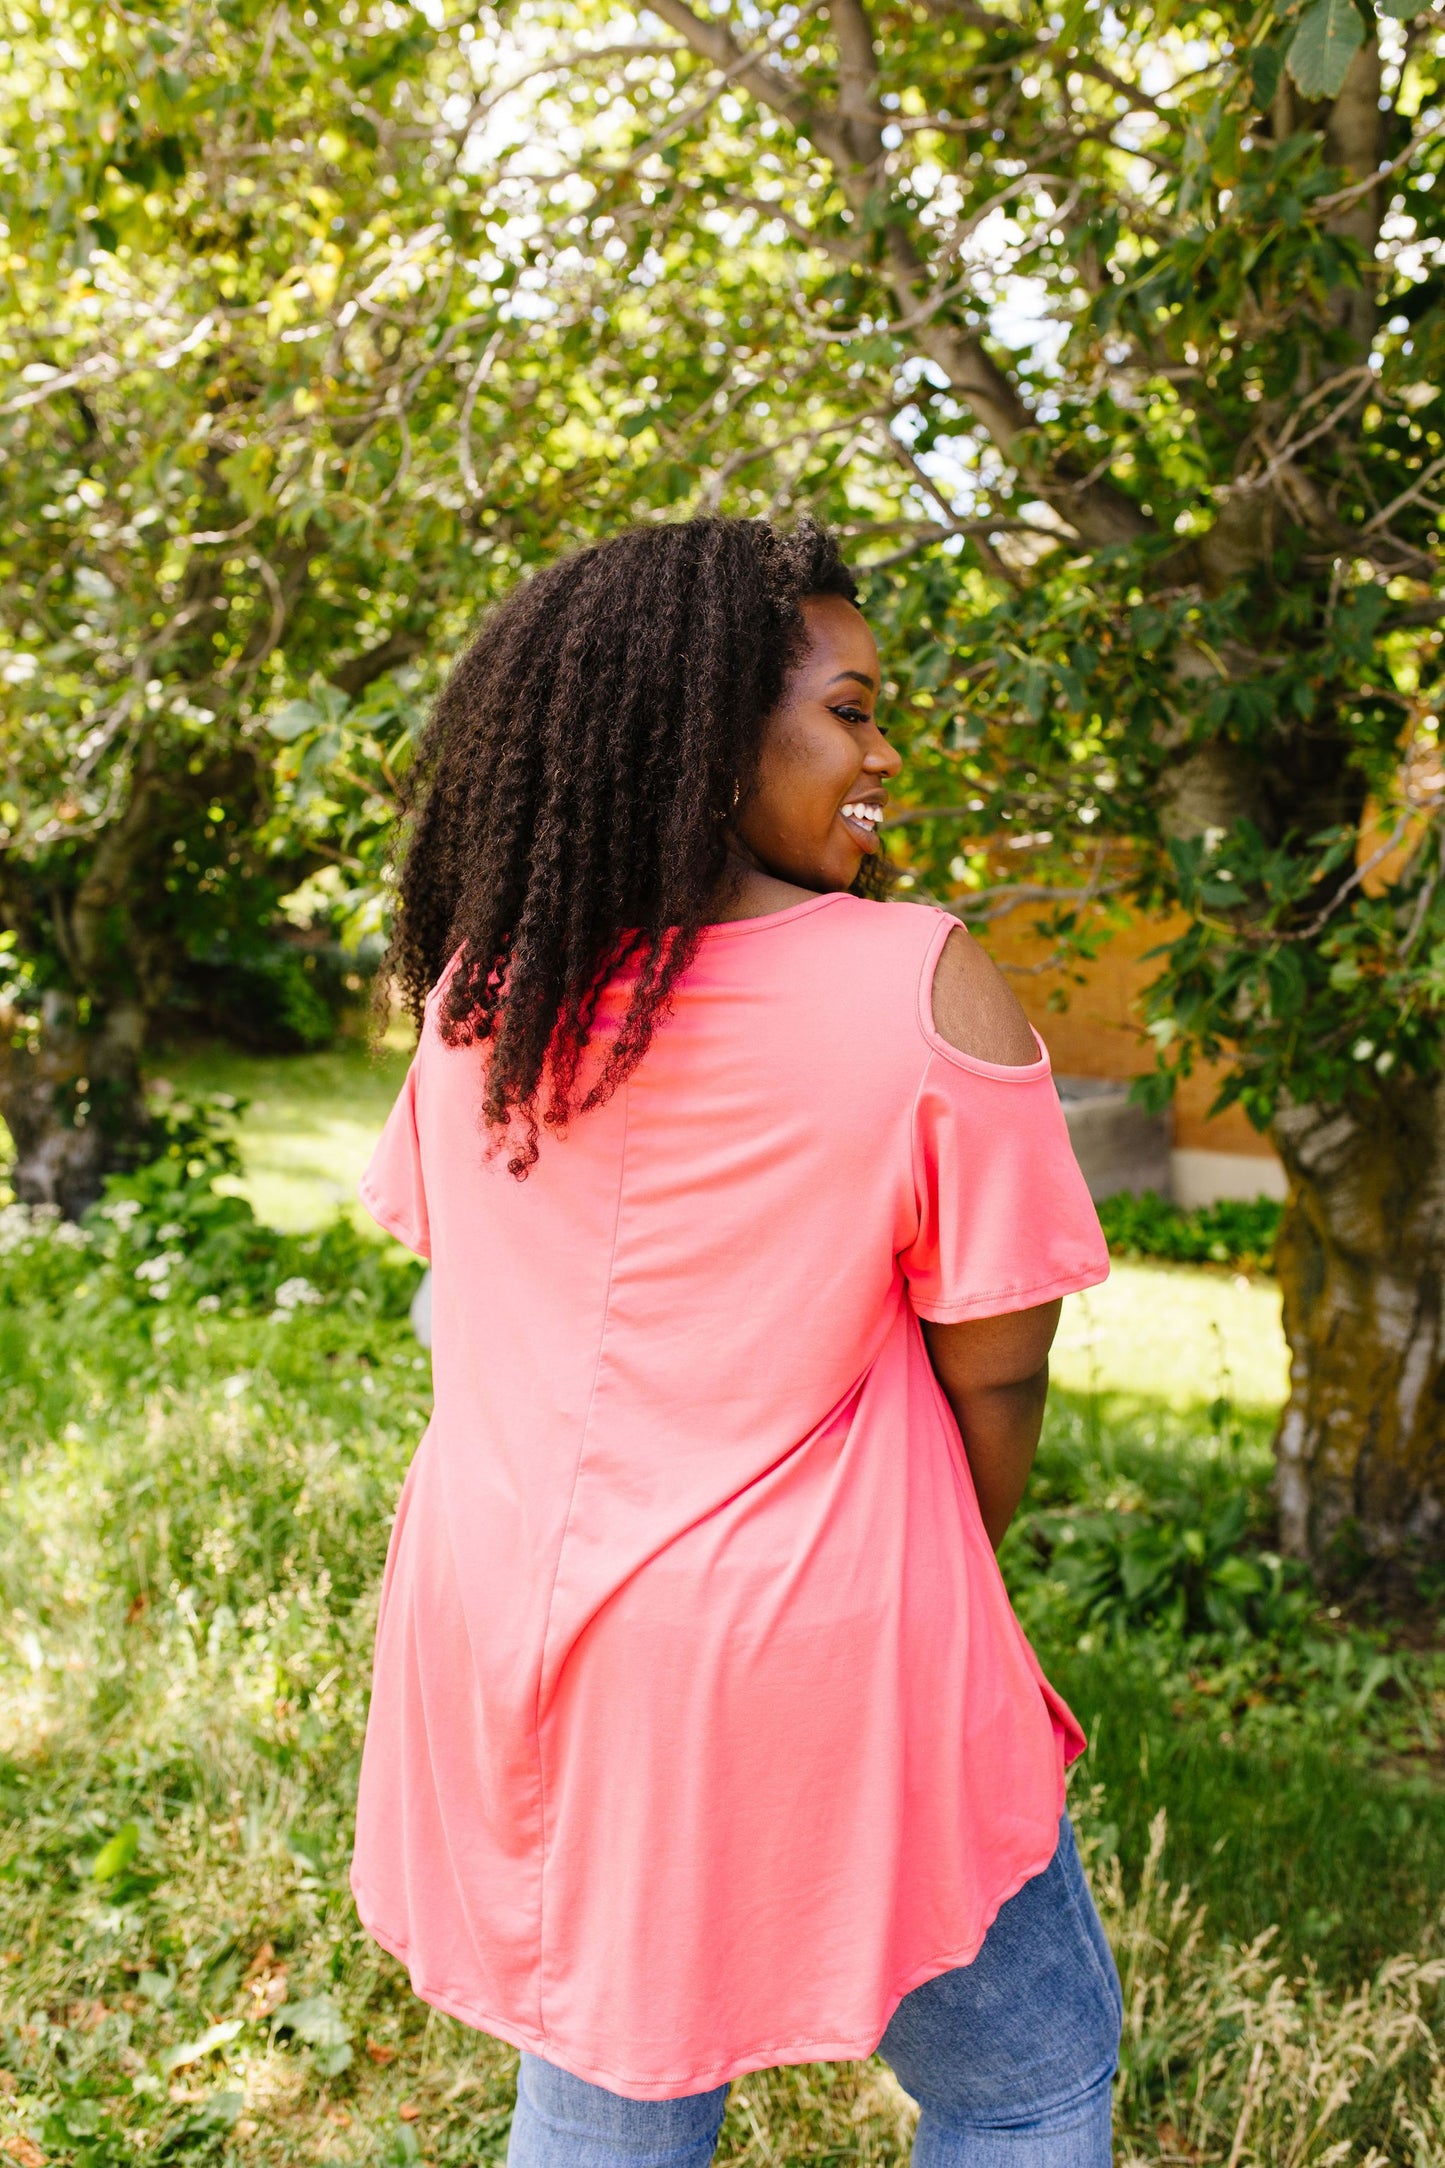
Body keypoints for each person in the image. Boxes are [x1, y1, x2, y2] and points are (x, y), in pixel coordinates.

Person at [353, 517, 1120, 2167]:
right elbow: (998, 1367)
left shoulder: (490, 990)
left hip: (516, 1623)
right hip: (818, 1634)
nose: (882, 751)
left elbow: (475, 1291)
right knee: (1030, 2077)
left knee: (608, 2075)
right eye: (850, 709)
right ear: (713, 735)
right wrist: (933, 1593)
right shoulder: (918, 979)